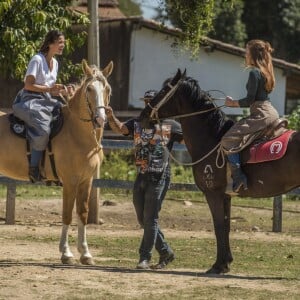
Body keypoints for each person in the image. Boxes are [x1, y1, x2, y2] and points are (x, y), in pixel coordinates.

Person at [105, 90, 184, 270]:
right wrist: (111, 117)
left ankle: (144, 258)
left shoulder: (170, 124)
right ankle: (165, 251)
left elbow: (190, 140)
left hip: (160, 176)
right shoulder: (137, 123)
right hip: (141, 175)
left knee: (151, 218)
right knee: (143, 219)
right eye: (146, 101)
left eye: (152, 102)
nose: (148, 105)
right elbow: (120, 128)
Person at [221, 39, 279, 192]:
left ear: (252, 54)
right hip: (271, 111)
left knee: (227, 140)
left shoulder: (254, 72)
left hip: (261, 114)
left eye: (246, 51)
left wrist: (232, 103)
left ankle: (239, 177)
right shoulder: (266, 71)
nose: (245, 54)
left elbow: (249, 101)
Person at [12, 30, 69, 183]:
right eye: (60, 42)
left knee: (65, 116)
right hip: (29, 100)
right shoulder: (37, 59)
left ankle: (56, 167)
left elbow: (48, 87)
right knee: (43, 130)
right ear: (50, 44)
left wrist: (61, 89)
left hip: (46, 100)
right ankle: (34, 168)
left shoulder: (55, 63)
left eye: (63, 42)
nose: (63, 45)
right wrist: (49, 89)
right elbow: (29, 85)